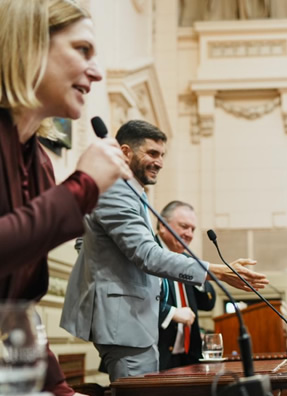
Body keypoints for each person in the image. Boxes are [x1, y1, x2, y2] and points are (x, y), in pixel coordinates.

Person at [61, 119, 268, 382]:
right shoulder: (115, 192)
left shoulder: (134, 194)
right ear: (125, 152)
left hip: (135, 325)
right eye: (152, 153)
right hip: (124, 324)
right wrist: (218, 271)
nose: (159, 162)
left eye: (162, 155)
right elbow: (147, 255)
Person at [0, 0, 132, 396]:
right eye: (83, 50)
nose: (96, 72)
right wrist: (83, 186)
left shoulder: (37, 160)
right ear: (30, 44)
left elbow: (19, 309)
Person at [156, 201, 216, 370]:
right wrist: (172, 313)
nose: (189, 234)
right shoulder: (148, 253)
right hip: (157, 355)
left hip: (188, 356)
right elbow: (138, 302)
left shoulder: (187, 259)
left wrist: (197, 272)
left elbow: (208, 303)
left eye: (193, 229)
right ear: (163, 225)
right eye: (184, 226)